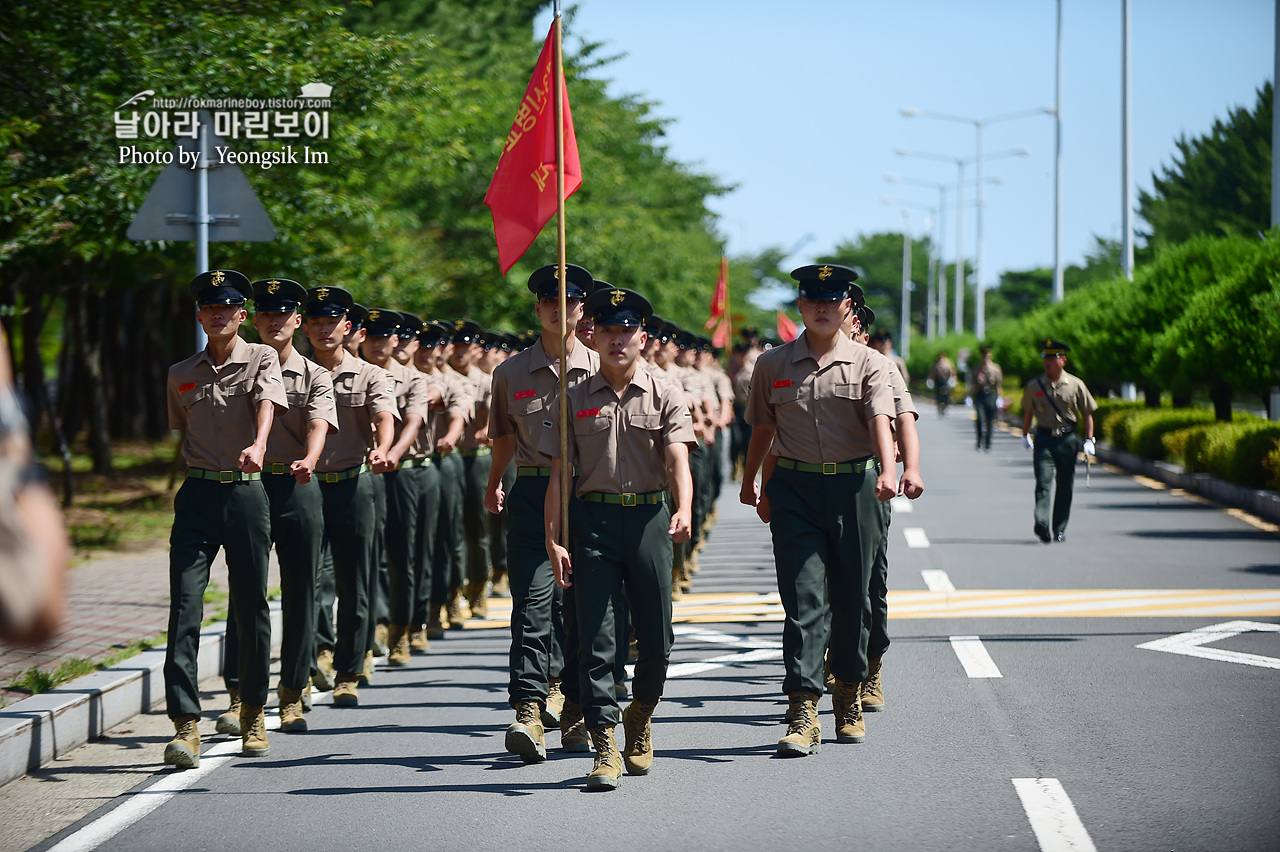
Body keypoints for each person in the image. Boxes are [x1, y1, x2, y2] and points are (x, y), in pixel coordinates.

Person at [740, 264, 897, 757]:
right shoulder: (773, 364)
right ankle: (803, 708)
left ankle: (847, 694)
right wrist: (751, 481)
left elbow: (879, 423)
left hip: (856, 489)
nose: (823, 308)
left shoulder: (871, 363)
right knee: (804, 601)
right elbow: (762, 429)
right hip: (796, 491)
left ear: (847, 305)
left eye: (833, 300)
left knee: (853, 601)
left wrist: (889, 471)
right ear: (801, 306)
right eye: (813, 300)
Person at [544, 287, 695, 791]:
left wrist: (685, 508)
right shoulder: (573, 397)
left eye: (626, 329)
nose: (616, 339)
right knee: (597, 639)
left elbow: (678, 459)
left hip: (650, 519)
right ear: (594, 333)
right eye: (607, 329)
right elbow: (560, 477)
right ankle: (605, 742)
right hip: (593, 524)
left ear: (642, 337)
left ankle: (641, 715)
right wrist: (554, 539)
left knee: (657, 639)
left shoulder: (667, 391)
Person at [163, 269, 287, 768]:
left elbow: (265, 406)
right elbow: (181, 430)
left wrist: (258, 445)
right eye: (209, 306)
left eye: (229, 306)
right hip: (196, 496)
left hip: (245, 495)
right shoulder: (180, 372)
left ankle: (252, 710)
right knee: (185, 608)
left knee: (251, 605)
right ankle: (185, 725)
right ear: (199, 315)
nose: (218, 313)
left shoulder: (263, 357)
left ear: (242, 314)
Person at [486, 263, 599, 763]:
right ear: (538, 309)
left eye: (570, 301)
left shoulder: (604, 368)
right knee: (532, 606)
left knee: (585, 610)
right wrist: (494, 482)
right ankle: (529, 710)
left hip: (590, 496)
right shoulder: (510, 373)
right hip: (532, 494)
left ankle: (575, 706)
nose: (560, 308)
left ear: (581, 310)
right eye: (550, 301)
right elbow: (505, 438)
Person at [218, 278, 336, 735]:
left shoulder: (314, 374)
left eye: (283, 314)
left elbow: (320, 422)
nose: (274, 321)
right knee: (244, 592)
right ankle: (238, 694)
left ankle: (292, 692)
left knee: (302, 590)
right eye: (266, 313)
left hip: (295, 483)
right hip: (246, 484)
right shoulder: (236, 366)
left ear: (297, 321)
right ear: (255, 319)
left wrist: (309, 457)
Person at [304, 286, 398, 706]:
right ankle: (313, 656)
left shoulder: (370, 374)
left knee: (355, 579)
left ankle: (349, 667)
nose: (324, 329)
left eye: (332, 322)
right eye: (316, 322)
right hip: (304, 485)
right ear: (305, 327)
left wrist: (383, 446)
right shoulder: (292, 371)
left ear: (348, 327)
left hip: (353, 482)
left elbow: (382, 416)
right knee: (308, 577)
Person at [848, 302, 924, 714]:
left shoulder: (882, 366)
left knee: (870, 584)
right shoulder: (805, 363)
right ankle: (837, 659)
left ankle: (870, 666)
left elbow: (904, 417)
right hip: (817, 488)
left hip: (869, 484)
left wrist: (905, 465)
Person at [360, 309, 429, 665]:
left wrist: (391, 452)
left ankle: (402, 627)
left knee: (402, 553)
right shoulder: (351, 375)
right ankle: (373, 625)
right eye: (370, 336)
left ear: (395, 340)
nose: (377, 343)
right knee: (368, 555)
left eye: (384, 337)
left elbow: (413, 422)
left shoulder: (413, 379)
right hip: (360, 473)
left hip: (399, 471)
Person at [1021, 339, 1097, 543]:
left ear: (1063, 360)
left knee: (1065, 484)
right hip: (1044, 438)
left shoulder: (1075, 384)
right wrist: (1025, 434)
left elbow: (1087, 412)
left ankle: (1059, 527)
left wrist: (1090, 439)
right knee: (1043, 481)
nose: (1048, 362)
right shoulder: (1034, 385)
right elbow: (1028, 412)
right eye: (1045, 357)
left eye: (1052, 358)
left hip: (1067, 439)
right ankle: (1042, 523)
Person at [971, 346, 1003, 452]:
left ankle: (988, 443)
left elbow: (998, 385)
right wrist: (969, 395)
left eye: (987, 356)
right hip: (980, 395)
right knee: (980, 419)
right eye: (983, 356)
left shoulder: (995, 368)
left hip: (990, 395)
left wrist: (999, 397)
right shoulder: (977, 369)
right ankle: (980, 440)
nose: (985, 358)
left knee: (990, 421)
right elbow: (972, 384)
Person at [927, 350, 956, 415]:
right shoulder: (936, 363)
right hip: (938, 380)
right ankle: (939, 407)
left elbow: (952, 371)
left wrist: (953, 379)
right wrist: (930, 380)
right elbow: (932, 373)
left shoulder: (948, 363)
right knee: (938, 395)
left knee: (946, 394)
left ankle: (945, 405)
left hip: (946, 380)